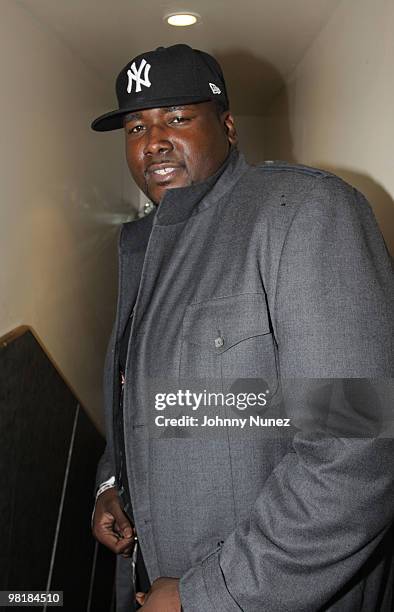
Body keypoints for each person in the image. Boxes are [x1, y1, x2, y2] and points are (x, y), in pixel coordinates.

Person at [91, 44, 393, 611]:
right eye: (136, 126)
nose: (152, 140)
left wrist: (208, 595)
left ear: (227, 126)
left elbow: (355, 450)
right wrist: (112, 485)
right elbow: (141, 399)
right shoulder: (145, 245)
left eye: (177, 118)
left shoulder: (302, 213)